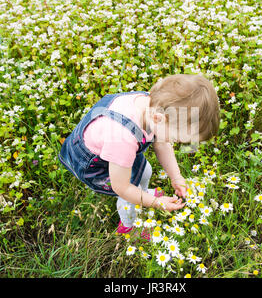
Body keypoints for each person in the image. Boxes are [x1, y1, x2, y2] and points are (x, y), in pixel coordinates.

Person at [59, 74, 220, 239]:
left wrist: (176, 176)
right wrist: (156, 203)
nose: (175, 142)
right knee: (129, 196)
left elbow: (162, 143)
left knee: (145, 171)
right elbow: (122, 187)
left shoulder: (153, 105)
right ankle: (130, 227)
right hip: (92, 162)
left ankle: (143, 192)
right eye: (176, 139)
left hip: (115, 150)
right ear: (158, 119)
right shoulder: (122, 139)